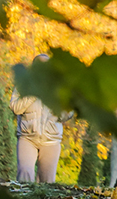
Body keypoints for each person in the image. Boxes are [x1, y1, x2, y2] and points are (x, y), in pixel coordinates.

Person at [10, 54, 72, 183]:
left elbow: (67, 114)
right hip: (27, 138)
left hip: (51, 141)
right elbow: (16, 108)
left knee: (47, 182)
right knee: (24, 176)